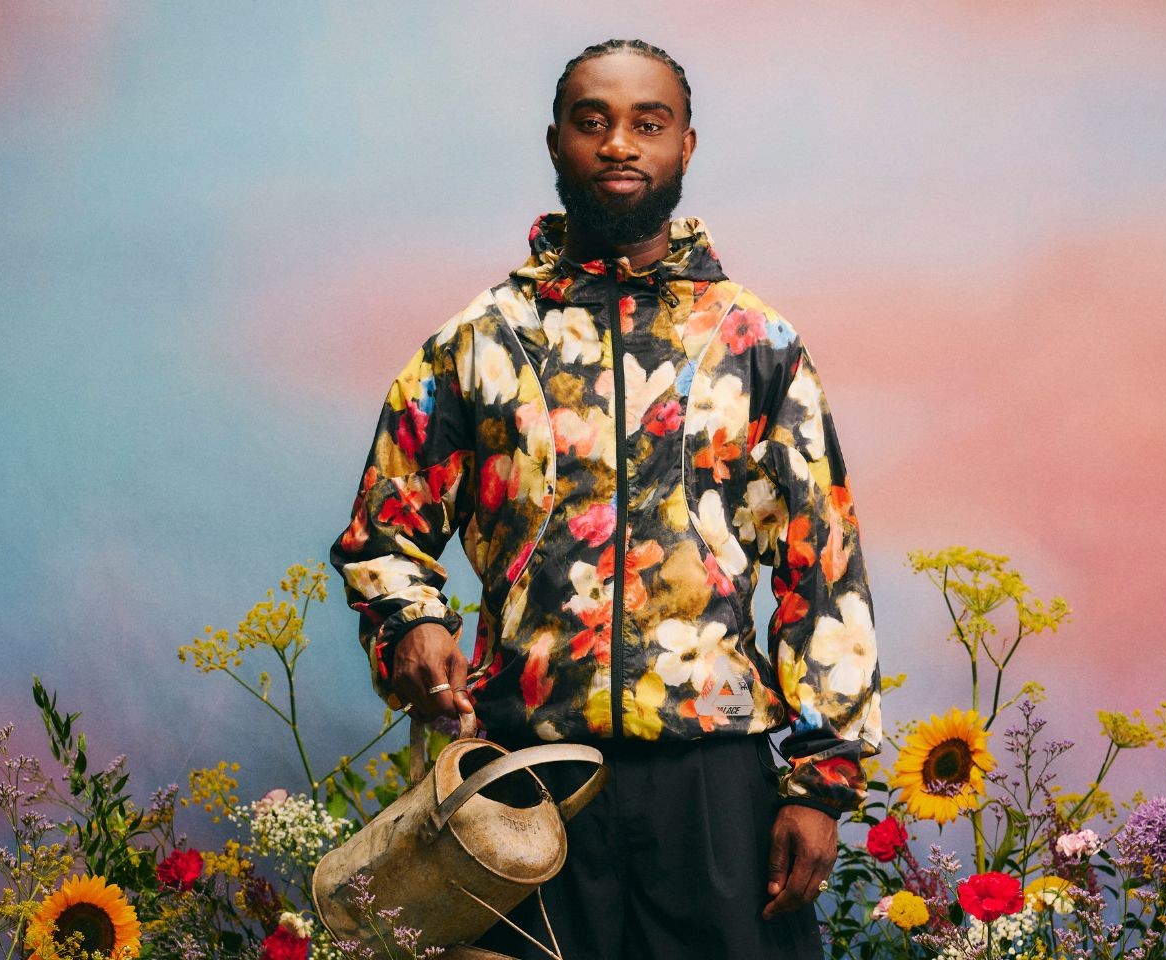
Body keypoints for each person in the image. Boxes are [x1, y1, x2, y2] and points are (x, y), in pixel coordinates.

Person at [330, 38, 882, 960]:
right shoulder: (479, 342)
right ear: (556, 145)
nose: (619, 143)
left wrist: (819, 784)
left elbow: (819, 565)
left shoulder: (757, 343)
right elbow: (384, 529)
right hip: (520, 779)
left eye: (646, 124)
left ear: (686, 147)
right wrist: (408, 624)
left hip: (710, 777)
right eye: (594, 123)